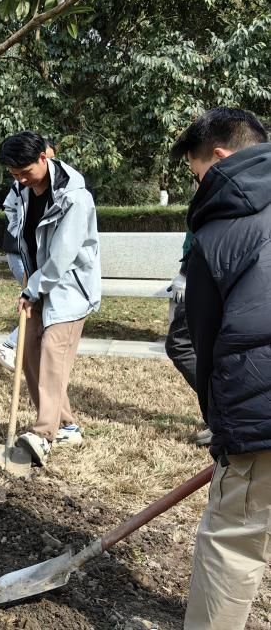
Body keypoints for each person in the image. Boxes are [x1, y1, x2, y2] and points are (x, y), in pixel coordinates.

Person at [170, 107, 271, 630]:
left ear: (221, 157)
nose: (199, 187)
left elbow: (196, 343)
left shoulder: (217, 233)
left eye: (197, 175)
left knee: (234, 540)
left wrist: (227, 430)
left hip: (260, 420)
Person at [0, 132, 101, 466]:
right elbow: (13, 216)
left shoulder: (75, 198)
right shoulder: (21, 190)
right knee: (29, 354)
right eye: (14, 174)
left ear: (44, 157)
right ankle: (67, 425)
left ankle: (43, 434)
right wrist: (28, 275)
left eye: (25, 171)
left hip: (69, 287)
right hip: (36, 282)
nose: (21, 179)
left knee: (53, 354)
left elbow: (62, 256)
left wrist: (33, 288)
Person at [0, 139, 57, 371]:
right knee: (33, 299)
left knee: (37, 301)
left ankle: (26, 350)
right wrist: (21, 233)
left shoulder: (60, 187)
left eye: (53, 160)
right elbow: (9, 209)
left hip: (45, 260)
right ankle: (10, 345)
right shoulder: (22, 185)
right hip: (22, 255)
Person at [163, 231, 213, 446]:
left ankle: (223, 415)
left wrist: (185, 273)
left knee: (179, 344)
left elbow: (204, 231)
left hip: (205, 272)